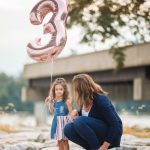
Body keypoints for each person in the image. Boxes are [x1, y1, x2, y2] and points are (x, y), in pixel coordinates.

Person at [64, 74, 123, 150]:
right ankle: (93, 148)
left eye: (75, 88)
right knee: (68, 128)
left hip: (110, 138)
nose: (74, 90)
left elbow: (116, 124)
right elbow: (88, 117)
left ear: (81, 89)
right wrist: (76, 112)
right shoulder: (84, 100)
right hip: (97, 138)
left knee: (79, 121)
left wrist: (105, 146)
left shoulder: (101, 100)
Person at [45, 78, 73, 150]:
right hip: (56, 122)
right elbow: (52, 111)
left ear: (64, 90)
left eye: (61, 89)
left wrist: (71, 123)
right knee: (59, 140)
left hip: (64, 123)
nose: (58, 91)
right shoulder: (54, 101)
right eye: (56, 89)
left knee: (65, 140)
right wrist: (49, 103)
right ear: (54, 91)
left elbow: (71, 113)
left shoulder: (66, 101)